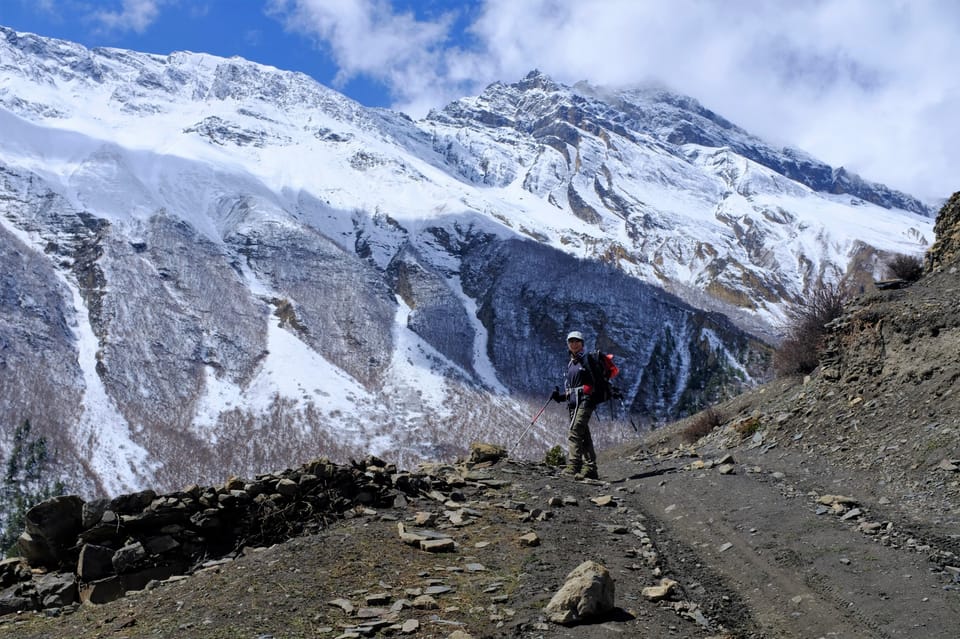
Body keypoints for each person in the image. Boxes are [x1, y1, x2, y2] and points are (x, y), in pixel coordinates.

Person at [551, 330, 599, 480]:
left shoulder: (587, 360)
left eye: (577, 341)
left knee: (574, 431)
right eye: (571, 341)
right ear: (568, 344)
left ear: (582, 344)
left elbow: (592, 383)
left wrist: (586, 395)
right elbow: (573, 388)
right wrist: (560, 397)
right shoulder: (571, 363)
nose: (574, 344)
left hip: (585, 402)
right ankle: (591, 468)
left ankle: (574, 465)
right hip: (574, 403)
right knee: (584, 434)